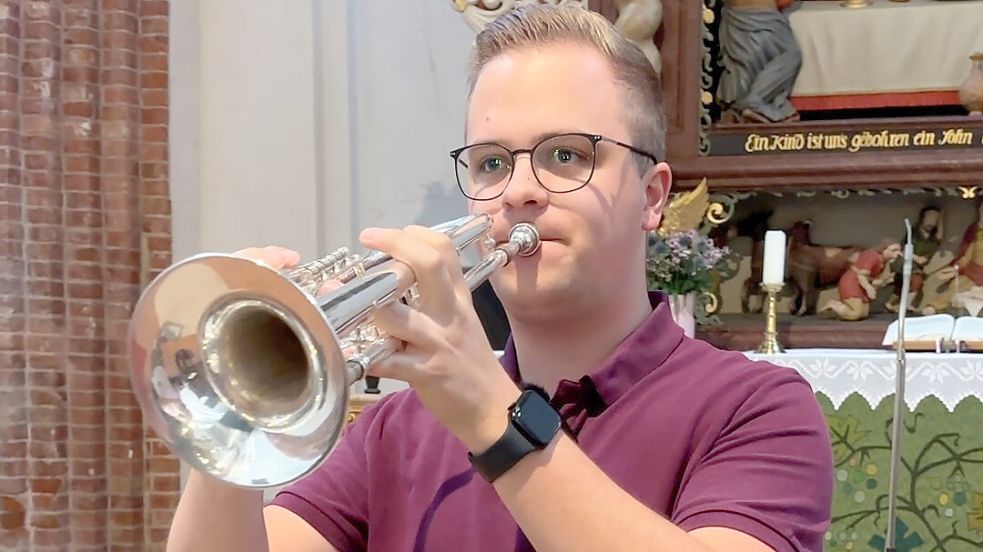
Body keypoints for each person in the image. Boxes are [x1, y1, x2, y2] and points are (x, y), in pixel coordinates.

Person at [165, 6, 833, 552]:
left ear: (652, 197)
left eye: (565, 155)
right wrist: (234, 420)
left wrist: (490, 415)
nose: (518, 191)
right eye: (489, 164)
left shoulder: (756, 409)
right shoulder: (399, 427)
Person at [717, 0, 803, 124]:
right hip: (760, 15)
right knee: (792, 55)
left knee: (751, 66)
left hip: (740, 16)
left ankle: (757, 103)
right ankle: (755, 100)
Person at [823, 242, 902, 322]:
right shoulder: (872, 256)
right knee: (856, 314)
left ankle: (840, 310)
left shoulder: (883, 262)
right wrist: (869, 288)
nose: (897, 253)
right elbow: (861, 275)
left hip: (862, 285)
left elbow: (873, 278)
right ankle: (833, 305)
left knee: (864, 313)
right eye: (893, 250)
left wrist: (879, 282)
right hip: (852, 282)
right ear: (883, 249)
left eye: (899, 250)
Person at [885, 207, 942, 313]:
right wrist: (916, 257)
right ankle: (904, 304)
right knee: (915, 279)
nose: (932, 222)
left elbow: (939, 237)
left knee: (908, 283)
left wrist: (942, 215)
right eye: (930, 218)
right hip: (905, 261)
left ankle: (894, 303)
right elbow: (904, 248)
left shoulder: (932, 239)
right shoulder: (914, 233)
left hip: (916, 265)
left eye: (935, 219)